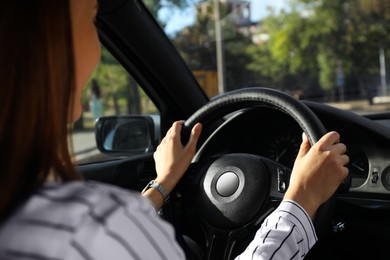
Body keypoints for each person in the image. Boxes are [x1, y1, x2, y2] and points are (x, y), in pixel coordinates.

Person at [0, 0, 349, 259]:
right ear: (45, 43)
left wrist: (164, 183)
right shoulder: (90, 230)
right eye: (92, 15)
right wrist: (301, 199)